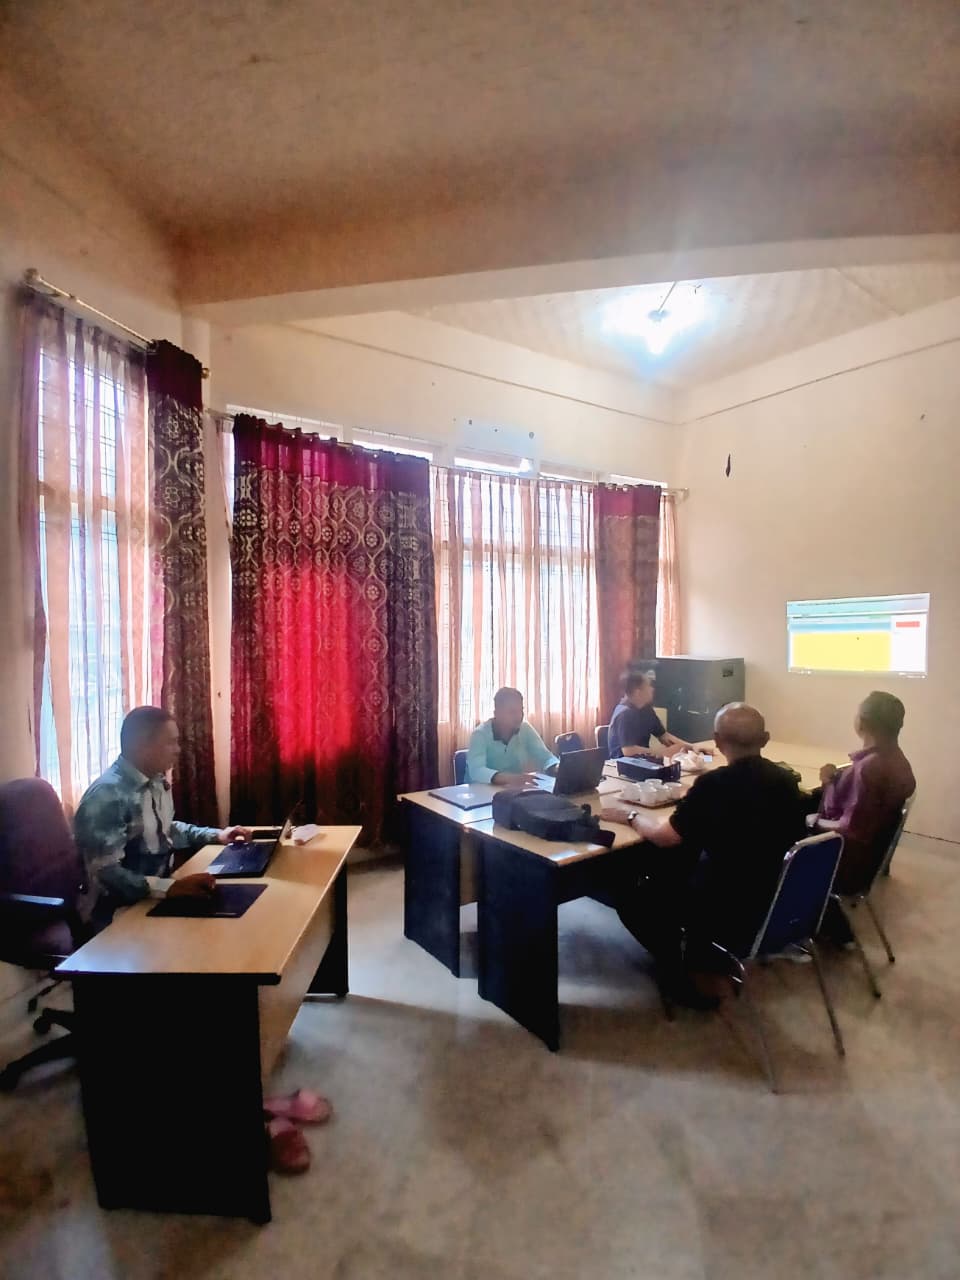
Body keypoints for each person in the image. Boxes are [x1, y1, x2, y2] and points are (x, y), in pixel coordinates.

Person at [601, 703, 806, 1007]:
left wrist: (629, 816)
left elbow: (666, 837)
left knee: (626, 885)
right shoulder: (787, 781)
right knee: (682, 859)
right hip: (773, 894)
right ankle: (699, 950)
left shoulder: (714, 785)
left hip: (725, 904)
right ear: (765, 739)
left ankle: (678, 969)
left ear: (718, 741)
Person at [74, 706, 251, 928]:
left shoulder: (155, 781)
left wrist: (217, 835)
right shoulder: (106, 796)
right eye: (170, 743)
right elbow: (105, 873)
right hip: (116, 915)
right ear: (141, 746)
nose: (178, 750)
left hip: (155, 897)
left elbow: (165, 830)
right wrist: (169, 888)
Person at [812, 690, 915, 894]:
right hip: (868, 858)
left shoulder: (869, 769)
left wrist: (812, 822)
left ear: (862, 723)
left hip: (846, 865)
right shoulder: (898, 761)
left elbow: (851, 830)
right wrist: (833, 782)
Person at [465, 687, 559, 786]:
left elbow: (545, 756)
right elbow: (477, 771)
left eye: (521, 711)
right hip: (480, 790)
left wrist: (557, 767)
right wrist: (509, 778)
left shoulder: (525, 728)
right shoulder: (480, 734)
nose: (519, 716)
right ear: (497, 714)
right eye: (512, 712)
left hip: (513, 790)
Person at [606, 671, 692, 759]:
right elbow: (628, 751)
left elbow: (664, 736)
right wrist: (662, 752)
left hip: (643, 761)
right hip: (622, 764)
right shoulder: (625, 714)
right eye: (648, 686)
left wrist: (691, 747)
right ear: (638, 692)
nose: (652, 689)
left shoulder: (646, 709)